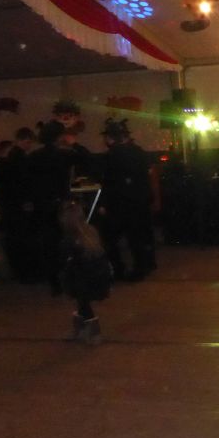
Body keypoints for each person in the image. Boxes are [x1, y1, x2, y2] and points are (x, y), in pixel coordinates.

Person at [98, 119, 156, 282]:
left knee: (110, 238)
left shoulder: (111, 156)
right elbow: (147, 173)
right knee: (138, 237)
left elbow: (109, 182)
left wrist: (104, 204)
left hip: (120, 203)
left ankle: (119, 269)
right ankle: (143, 267)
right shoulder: (138, 152)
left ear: (110, 138)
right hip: (139, 201)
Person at [25, 120, 74, 293]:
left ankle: (53, 279)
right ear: (59, 136)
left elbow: (29, 183)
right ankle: (66, 274)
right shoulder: (64, 155)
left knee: (48, 242)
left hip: (41, 204)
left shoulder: (33, 156)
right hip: (59, 202)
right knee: (65, 239)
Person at [60, 201, 112, 344]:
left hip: (83, 278)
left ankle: (94, 331)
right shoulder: (91, 232)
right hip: (96, 275)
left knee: (83, 303)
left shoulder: (70, 241)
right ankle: (80, 328)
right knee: (81, 302)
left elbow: (68, 262)